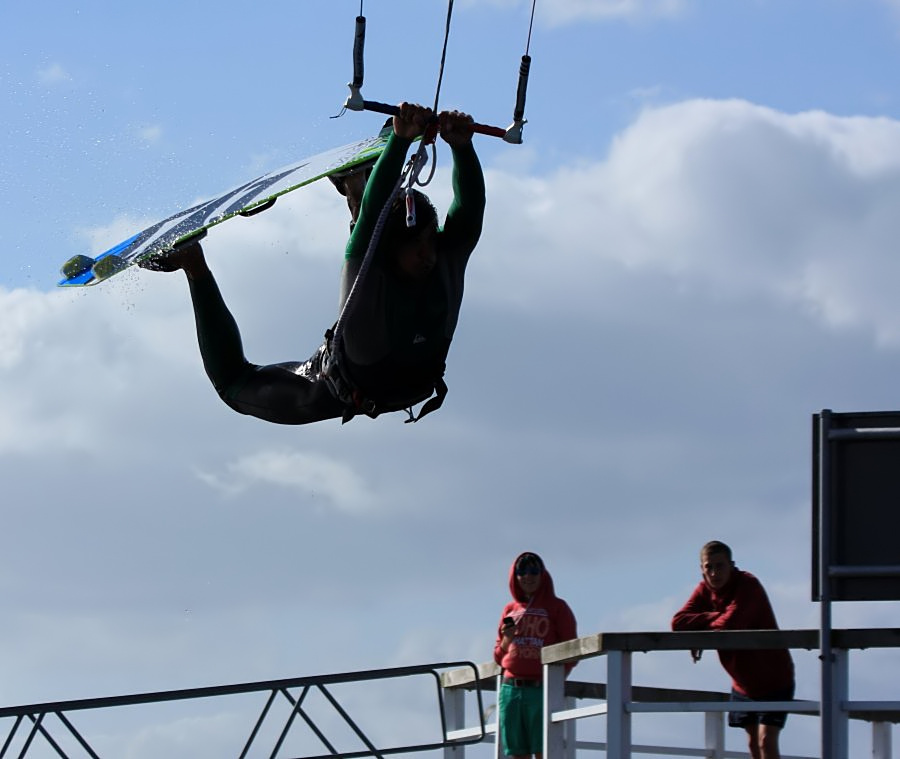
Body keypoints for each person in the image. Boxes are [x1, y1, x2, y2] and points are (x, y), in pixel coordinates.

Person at [140, 102, 485, 425]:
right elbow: (373, 219)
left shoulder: (444, 265)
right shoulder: (370, 271)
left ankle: (355, 181)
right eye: (416, 246)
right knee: (233, 383)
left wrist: (463, 147)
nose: (429, 254)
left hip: (379, 384)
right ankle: (193, 262)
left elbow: (469, 213)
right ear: (391, 250)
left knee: (374, 228)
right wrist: (398, 142)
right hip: (330, 386)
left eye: (430, 241)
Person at [671, 541, 795, 759]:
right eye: (709, 567)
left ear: (731, 565)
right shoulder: (703, 590)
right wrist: (713, 617)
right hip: (743, 682)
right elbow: (678, 622)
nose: (714, 573)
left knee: (766, 740)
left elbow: (733, 622)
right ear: (702, 569)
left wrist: (701, 627)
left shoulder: (748, 584)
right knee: (752, 744)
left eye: (720, 566)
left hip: (774, 678)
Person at [493, 552, 577, 759]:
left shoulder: (558, 607)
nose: (528, 576)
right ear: (515, 576)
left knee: (543, 750)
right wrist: (507, 640)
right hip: (510, 689)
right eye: (522, 572)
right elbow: (497, 656)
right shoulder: (509, 610)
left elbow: (572, 651)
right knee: (516, 751)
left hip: (541, 690)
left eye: (533, 571)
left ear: (543, 574)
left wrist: (554, 682)